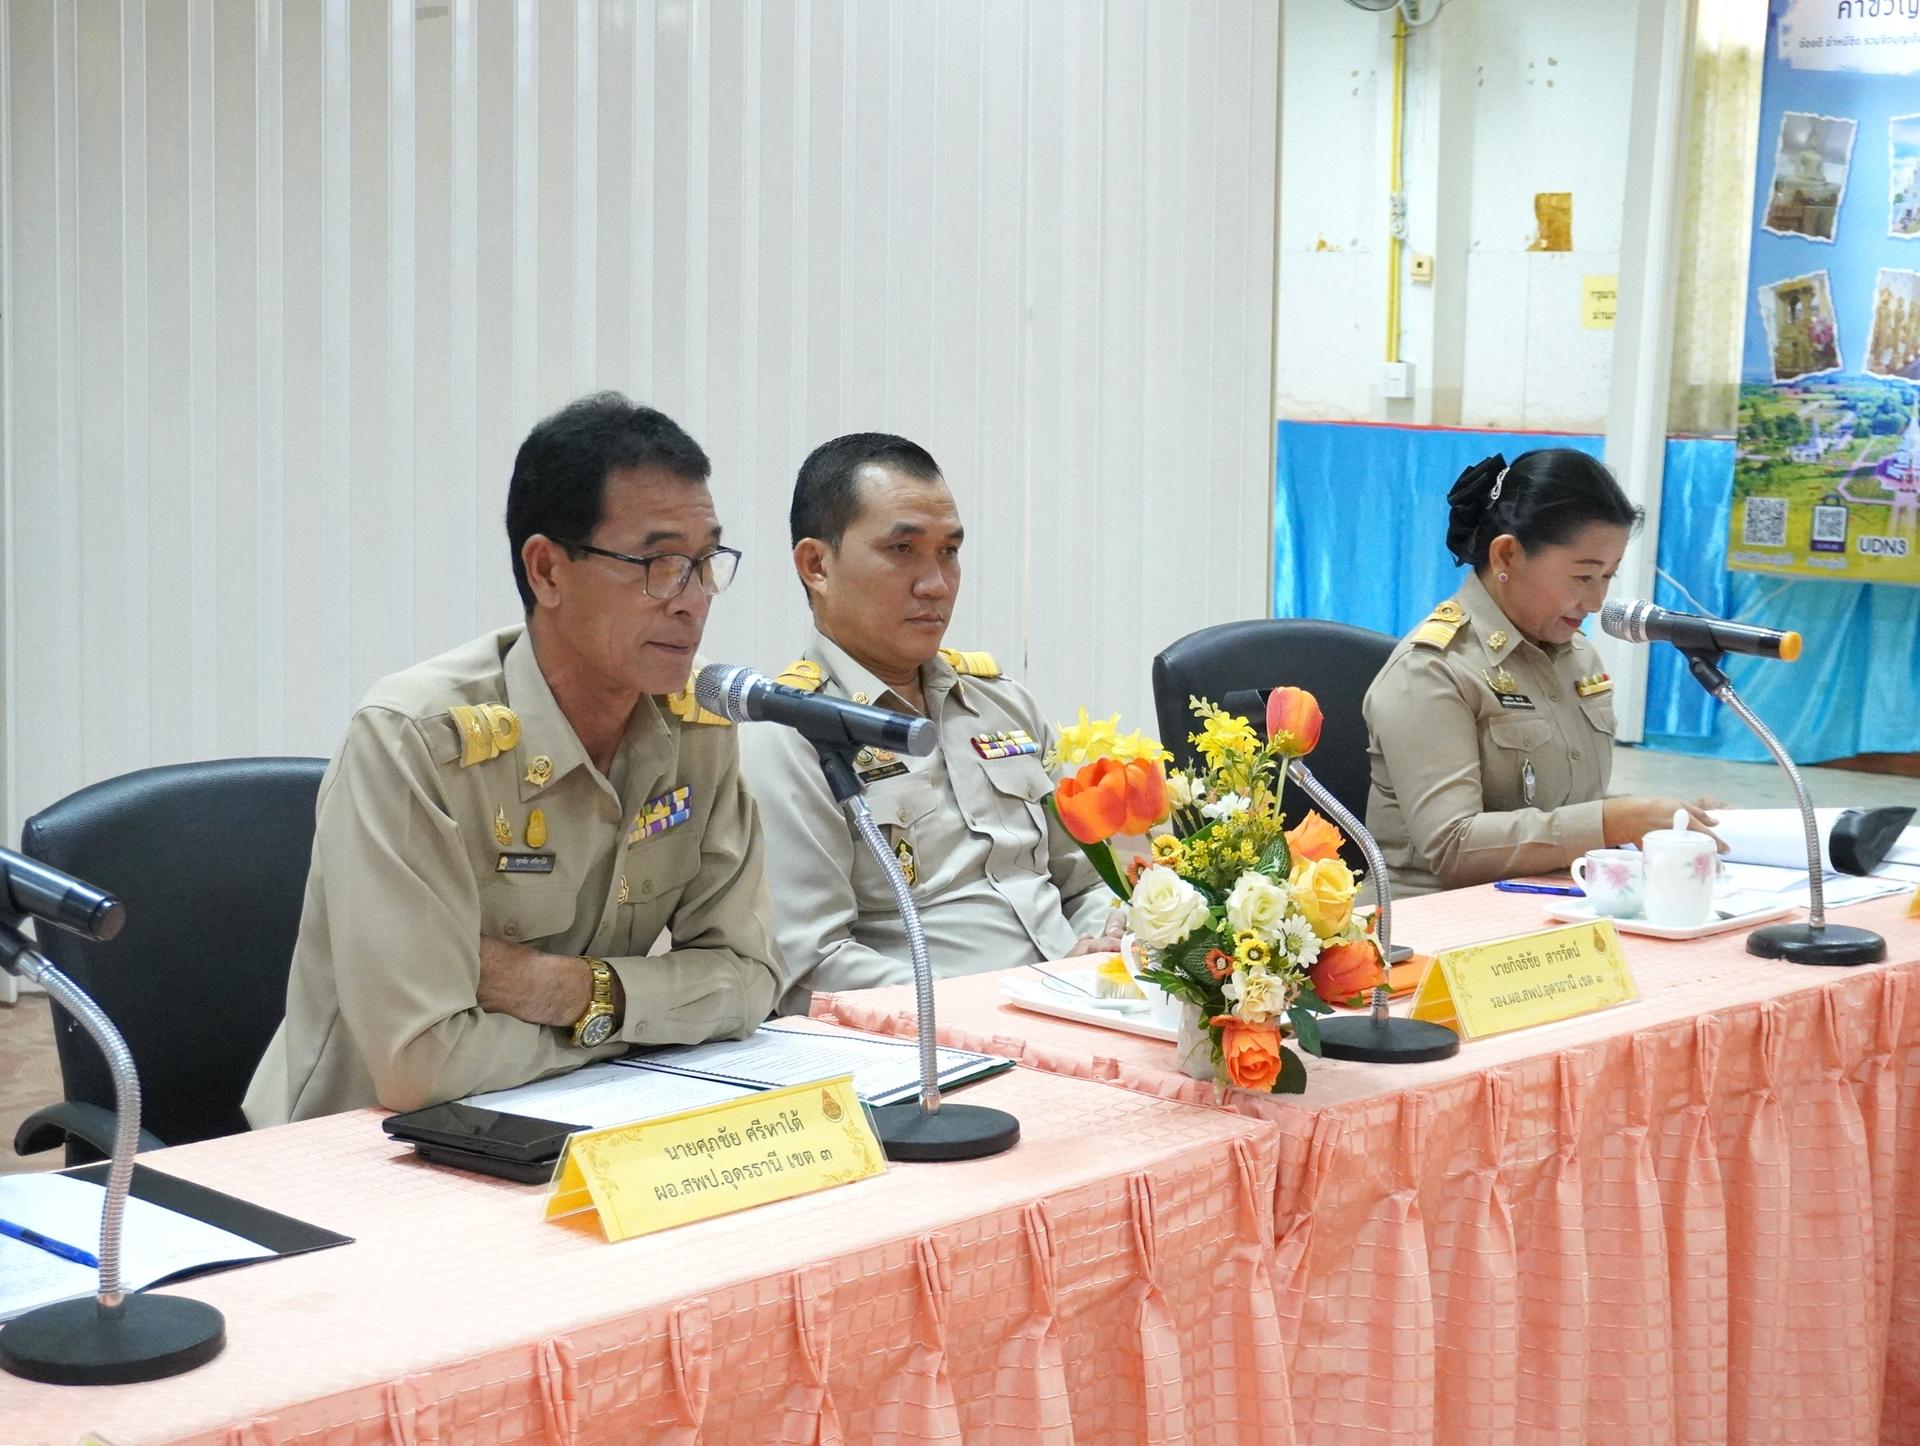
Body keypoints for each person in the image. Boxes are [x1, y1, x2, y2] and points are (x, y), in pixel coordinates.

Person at [244, 394, 781, 1126]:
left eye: (705, 561)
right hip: (361, 1151)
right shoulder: (414, 741)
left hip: (573, 1127)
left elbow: (751, 982)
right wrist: (646, 1018)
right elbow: (421, 1064)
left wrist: (569, 992)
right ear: (547, 572)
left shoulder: (697, 724)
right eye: (659, 564)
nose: (693, 600)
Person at [738, 433, 1121, 1008]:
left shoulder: (1003, 705)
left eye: (949, 551)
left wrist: (1111, 945)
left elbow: (1085, 881)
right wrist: (1019, 998)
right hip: (937, 1048)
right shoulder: (787, 739)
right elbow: (812, 967)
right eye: (902, 551)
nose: (936, 584)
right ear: (816, 565)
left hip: (1076, 1007)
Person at [1363, 448, 1721, 896]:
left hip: (1553, 908)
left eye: (1609, 576)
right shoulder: (1433, 669)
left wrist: (1669, 819)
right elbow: (1453, 846)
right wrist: (1618, 819)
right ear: (1508, 556)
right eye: (1583, 576)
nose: (1595, 603)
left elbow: (1559, 813)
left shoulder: (1576, 657)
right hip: (1431, 928)